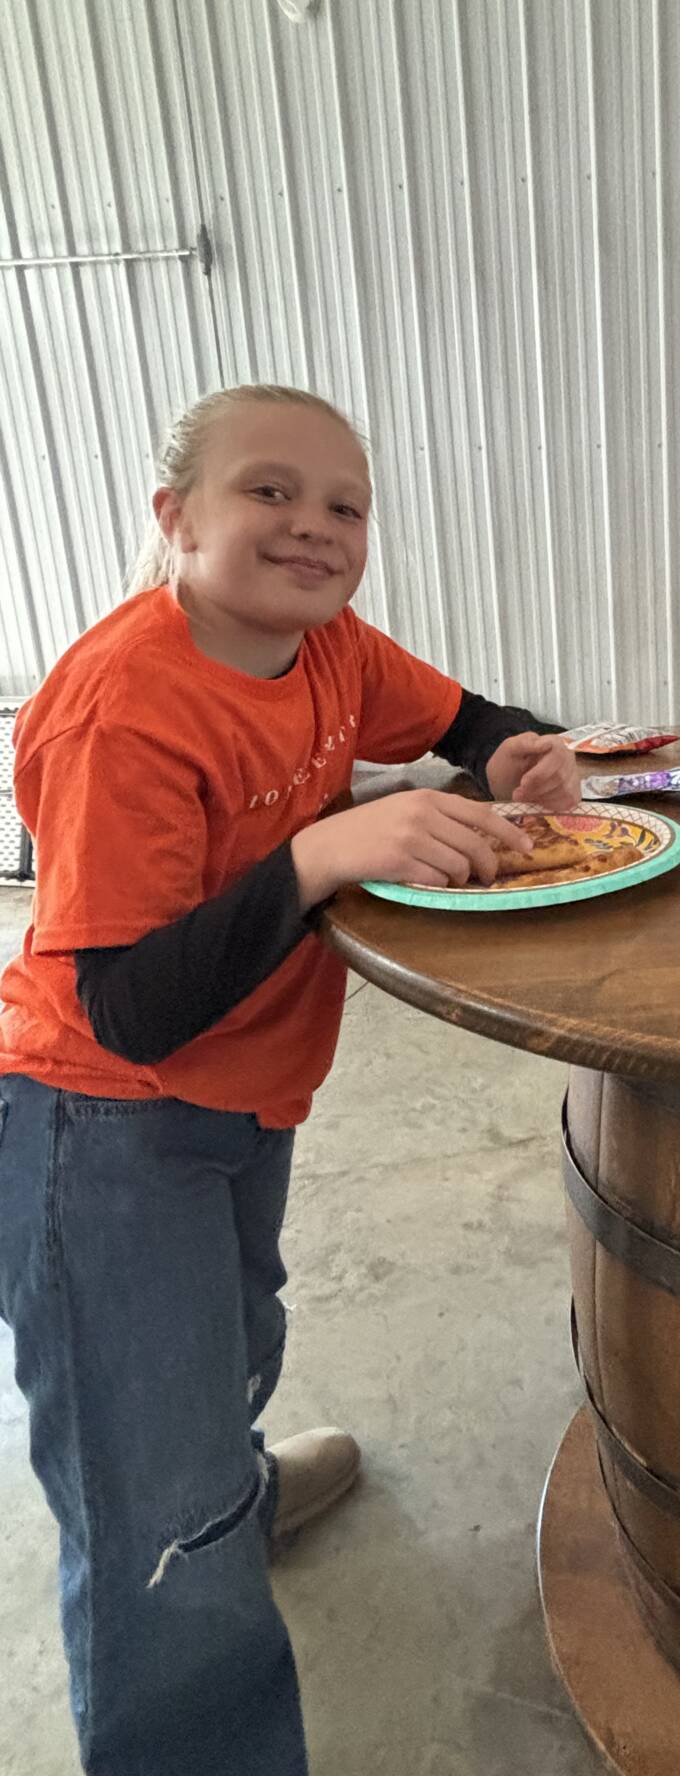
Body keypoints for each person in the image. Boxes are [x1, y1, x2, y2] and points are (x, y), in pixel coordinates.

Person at [0, 384, 580, 1776]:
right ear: (174, 518)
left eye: (345, 505)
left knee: (239, 1328)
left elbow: (463, 707)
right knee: (154, 1513)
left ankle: (237, 1485)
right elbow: (126, 1006)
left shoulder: (323, 648)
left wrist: (513, 746)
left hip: (244, 1098)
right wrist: (327, 853)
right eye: (270, 492)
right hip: (98, 1124)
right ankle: (200, 1589)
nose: (313, 526)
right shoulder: (124, 709)